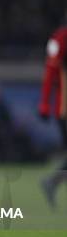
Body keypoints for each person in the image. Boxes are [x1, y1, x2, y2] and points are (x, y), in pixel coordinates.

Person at [39, 24, 67, 207]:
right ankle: (52, 182)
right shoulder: (61, 38)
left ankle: (52, 182)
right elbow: (51, 70)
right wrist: (44, 103)